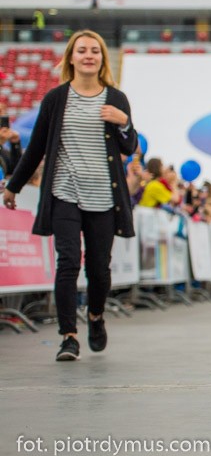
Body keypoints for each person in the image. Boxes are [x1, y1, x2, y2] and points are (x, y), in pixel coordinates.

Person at [2, 30, 138, 362]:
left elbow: (129, 147)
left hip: (105, 196)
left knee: (99, 268)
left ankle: (94, 316)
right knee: (67, 262)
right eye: (82, 50)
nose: (89, 55)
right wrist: (13, 186)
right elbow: (35, 150)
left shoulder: (116, 99)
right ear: (71, 57)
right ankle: (69, 336)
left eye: (95, 50)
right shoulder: (55, 99)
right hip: (64, 192)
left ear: (103, 58)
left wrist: (124, 123)